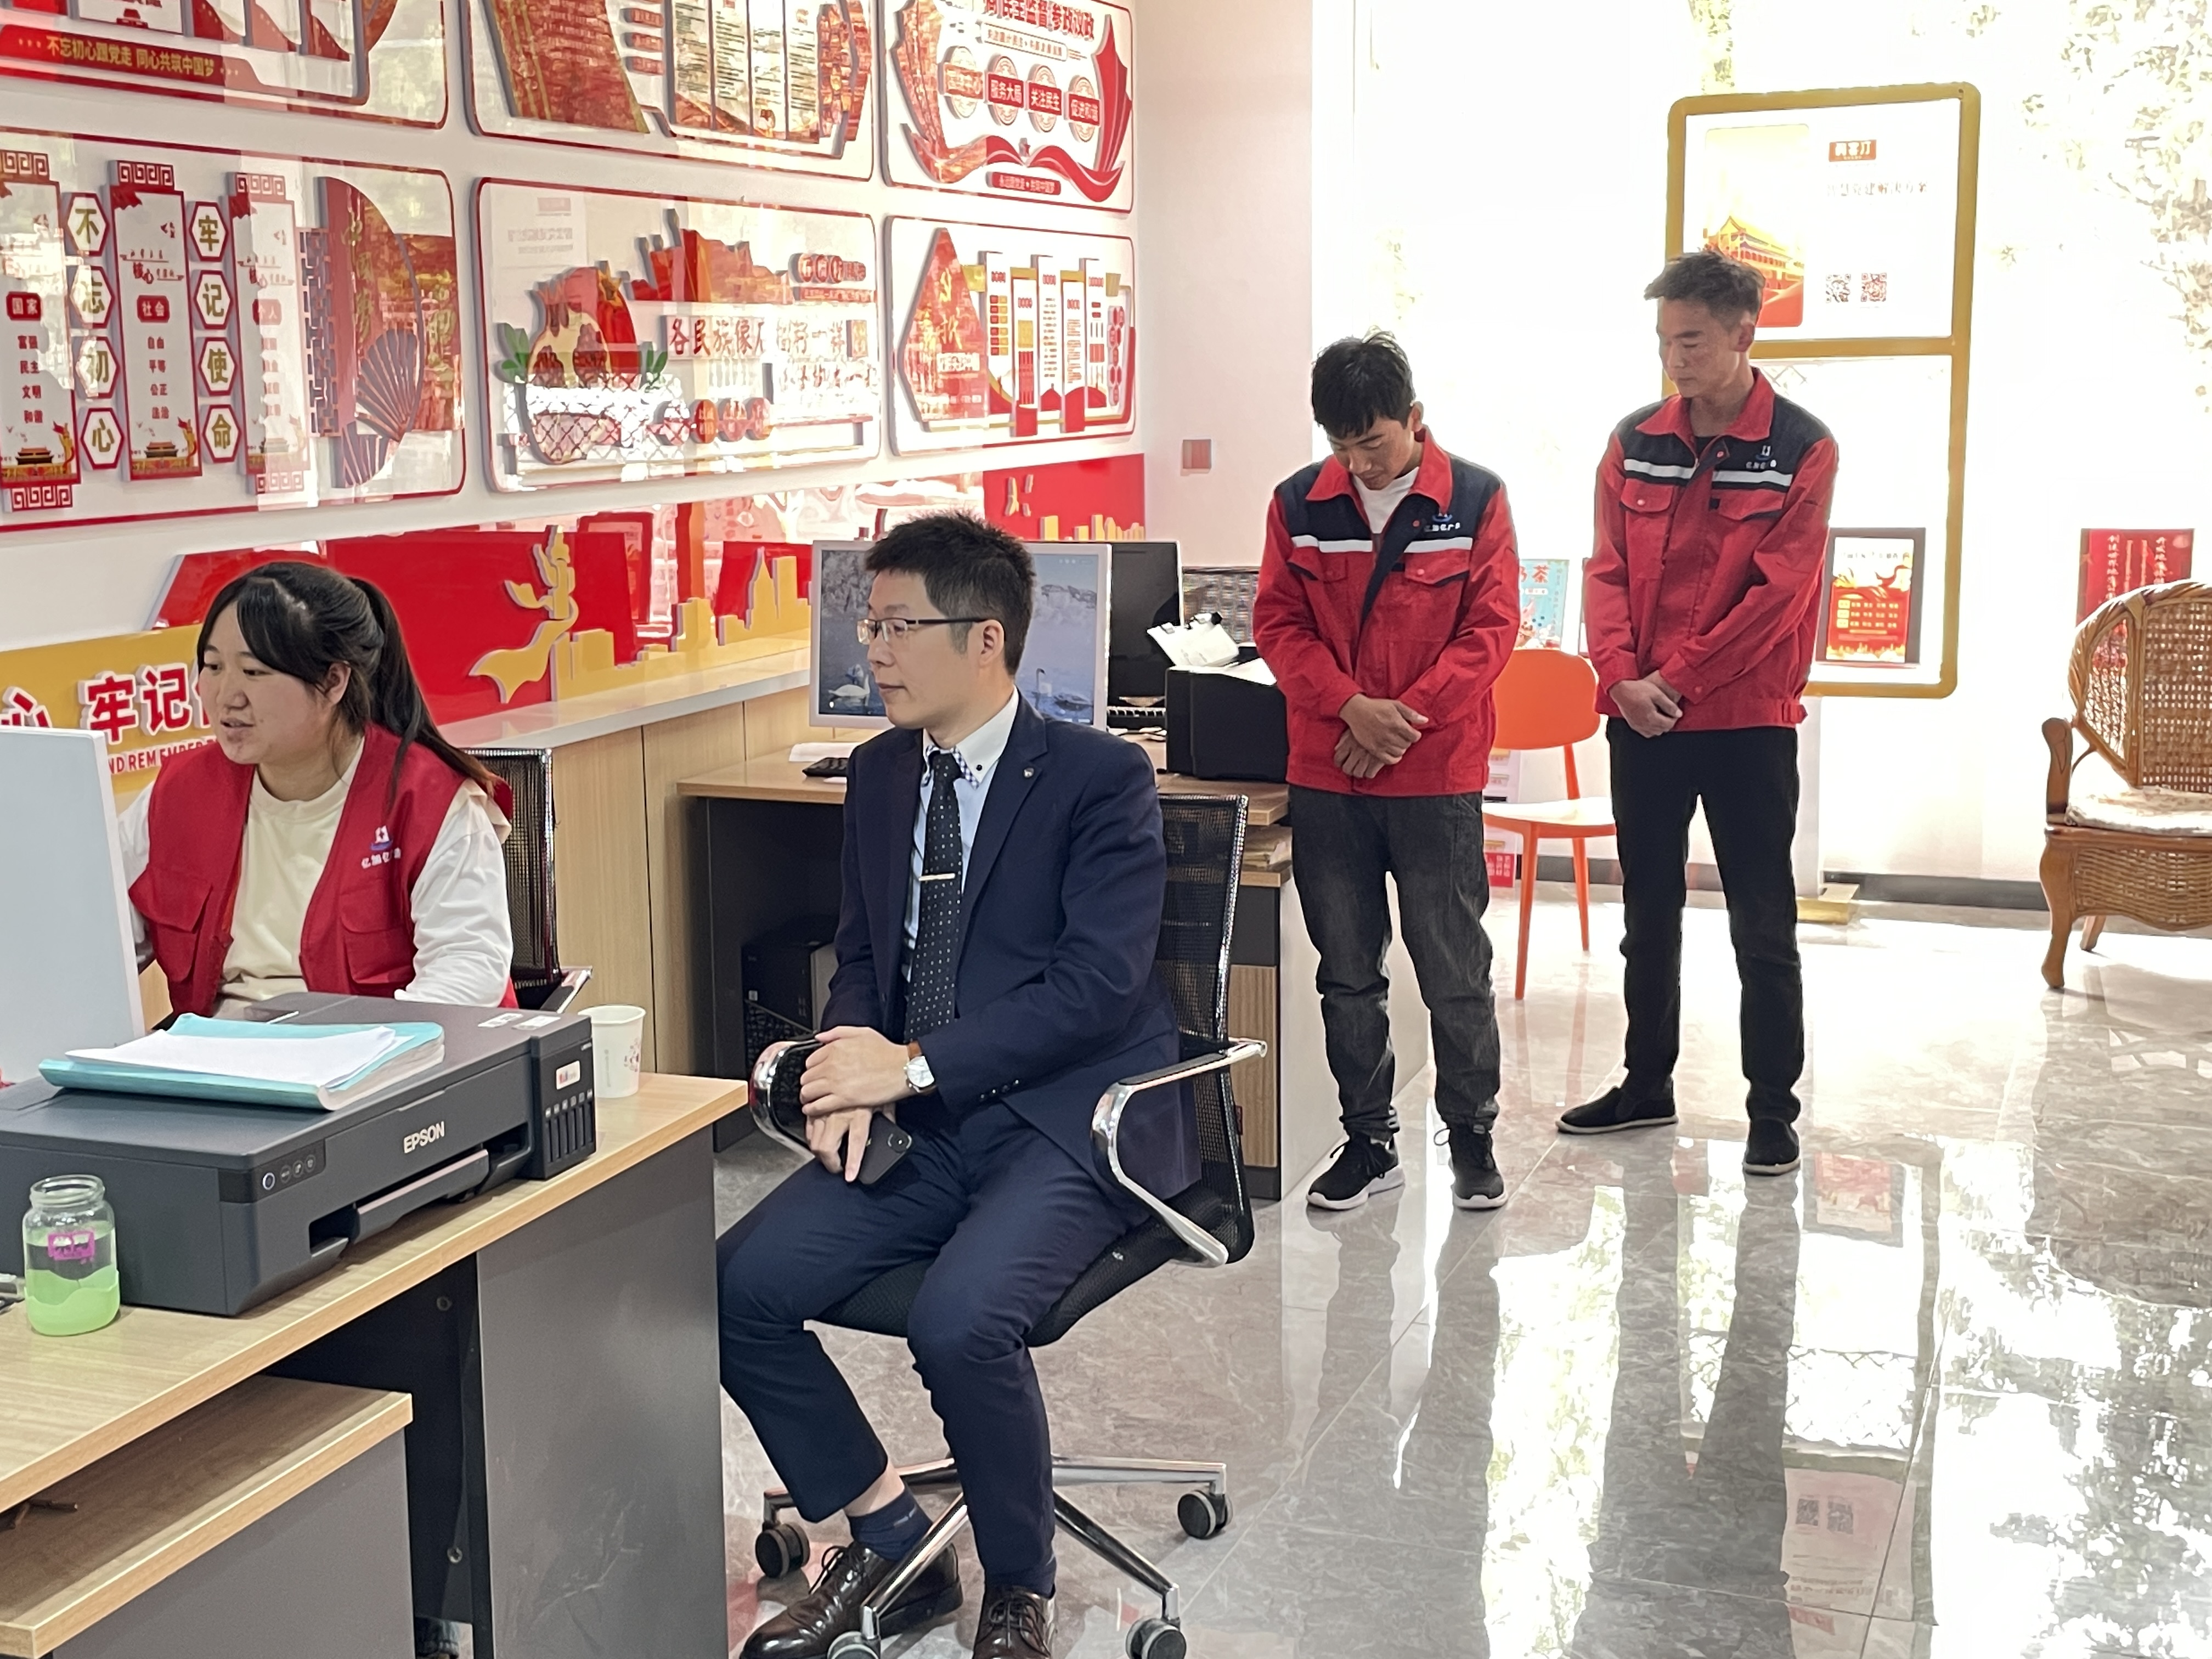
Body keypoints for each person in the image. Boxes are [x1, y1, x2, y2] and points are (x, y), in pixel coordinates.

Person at [716, 515, 1186, 1659]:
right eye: (865, 624)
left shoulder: (1099, 778)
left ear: (986, 639)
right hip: (921, 1120)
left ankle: (1018, 1581)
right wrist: (847, 1071)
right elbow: (865, 956)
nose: (871, 649)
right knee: (732, 1287)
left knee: (961, 1317)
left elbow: (1096, 988)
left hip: (1063, 1117)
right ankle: (891, 1538)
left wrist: (914, 1065)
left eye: (896, 626)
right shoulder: (882, 773)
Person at [1562, 249, 1839, 1176]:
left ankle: (1772, 1111)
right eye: (1663, 341)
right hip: (1641, 718)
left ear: (1743, 332)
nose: (1674, 358)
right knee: (1648, 912)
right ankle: (1646, 1084)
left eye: (1691, 340)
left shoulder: (1802, 446)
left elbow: (1777, 597)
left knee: (1762, 921)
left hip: (1745, 722)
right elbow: (1606, 570)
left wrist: (1670, 679)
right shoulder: (1633, 439)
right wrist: (1618, 677)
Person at [1252, 331, 1521, 1212]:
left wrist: (1398, 722)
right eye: (1341, 446)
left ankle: (1472, 1133)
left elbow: (1490, 632)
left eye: (1372, 443)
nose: (1359, 464)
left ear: (1413, 418)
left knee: (1453, 970)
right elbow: (1278, 625)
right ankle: (1369, 1142)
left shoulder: (1474, 499)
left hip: (1434, 775)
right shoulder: (1298, 504)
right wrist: (1349, 708)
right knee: (1347, 974)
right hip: (1330, 773)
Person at [122, 560, 515, 1017]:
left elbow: (468, 965)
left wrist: (373, 1044)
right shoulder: (177, 794)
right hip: (217, 1052)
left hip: (374, 1047)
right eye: (213, 666)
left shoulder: (428, 800)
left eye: (254, 672)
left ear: (333, 682)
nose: (227, 696)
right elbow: (96, 943)